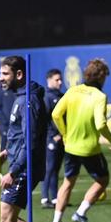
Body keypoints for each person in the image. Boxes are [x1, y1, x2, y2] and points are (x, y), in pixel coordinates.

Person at [0, 55, 59, 222]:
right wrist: (7, 153)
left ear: (19, 74)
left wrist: (13, 170)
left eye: (5, 74)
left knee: (5, 215)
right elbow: (19, 137)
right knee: (6, 215)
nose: (0, 78)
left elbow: (31, 141)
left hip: (24, 168)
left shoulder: (29, 101)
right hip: (18, 163)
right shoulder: (20, 98)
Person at [50, 59, 111, 222]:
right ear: (101, 78)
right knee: (103, 180)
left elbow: (56, 114)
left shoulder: (72, 91)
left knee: (67, 182)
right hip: (89, 149)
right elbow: (101, 124)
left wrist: (65, 134)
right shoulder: (100, 96)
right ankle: (80, 213)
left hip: (70, 147)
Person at [41, 68, 65, 209]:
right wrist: (52, 136)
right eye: (57, 79)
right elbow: (44, 119)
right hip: (51, 138)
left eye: (60, 79)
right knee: (49, 168)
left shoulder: (61, 96)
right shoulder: (47, 97)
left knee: (56, 168)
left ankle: (55, 198)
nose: (60, 82)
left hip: (61, 137)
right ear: (49, 80)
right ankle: (45, 198)